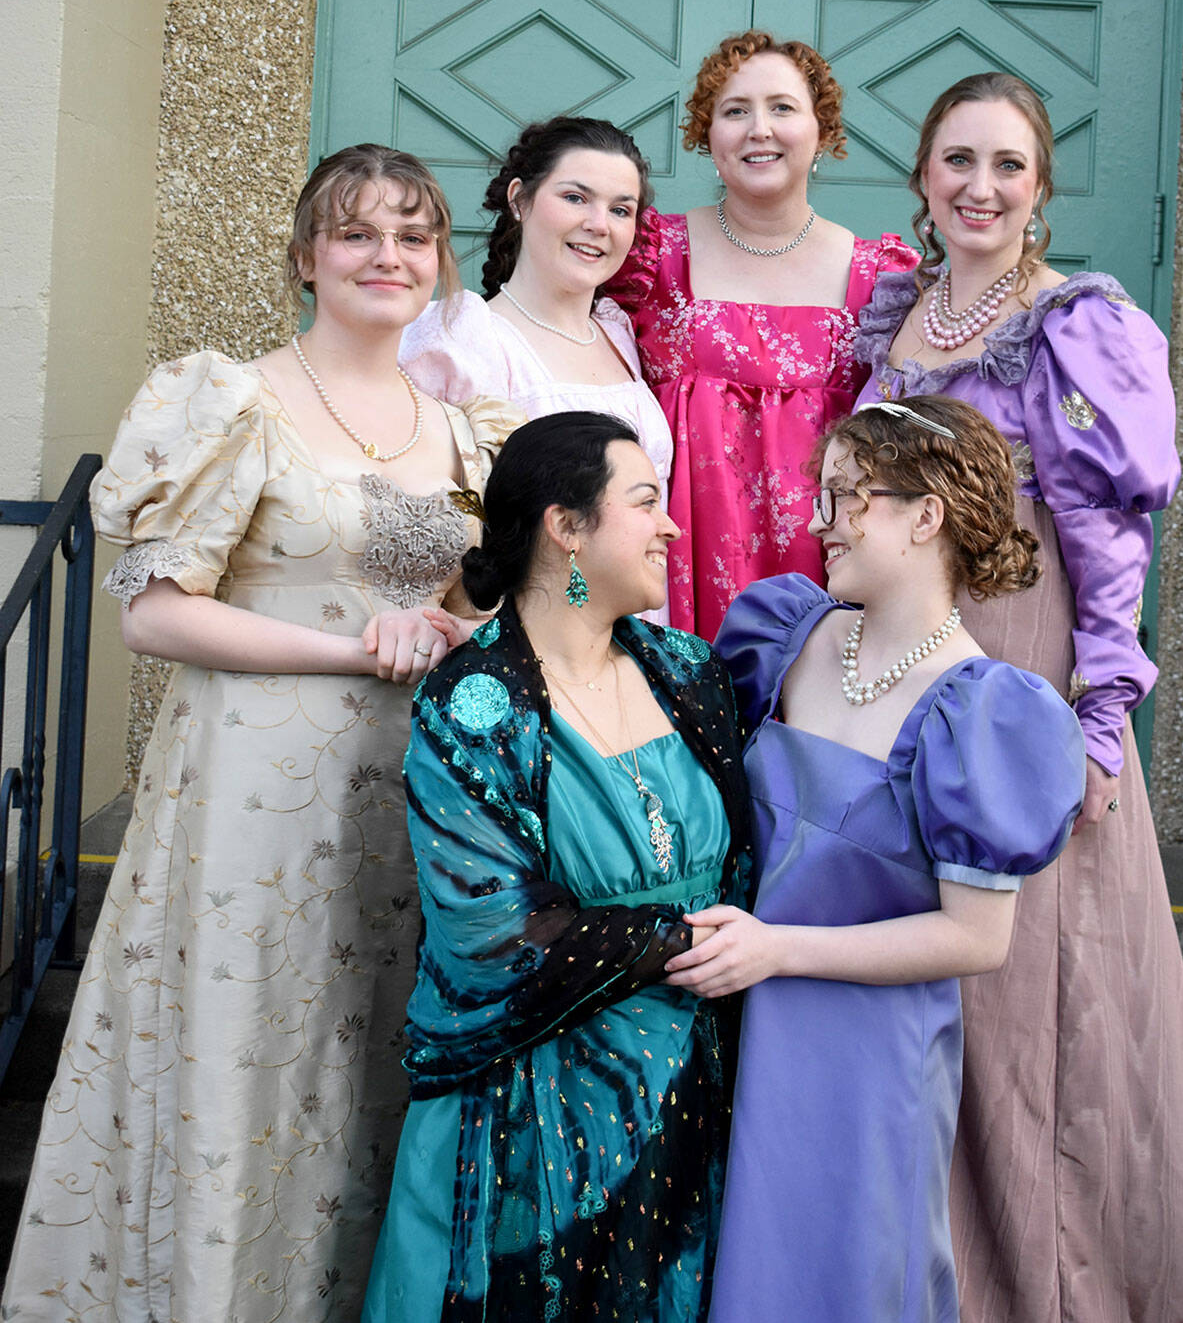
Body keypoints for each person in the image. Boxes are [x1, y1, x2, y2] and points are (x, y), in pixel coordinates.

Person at [2, 145, 521, 1320]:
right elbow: (155, 613)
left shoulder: (467, 430)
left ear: (438, 260)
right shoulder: (228, 397)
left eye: (411, 233)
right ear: (303, 258)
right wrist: (355, 649)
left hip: (411, 794)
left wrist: (451, 627)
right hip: (252, 784)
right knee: (249, 1055)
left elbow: (484, 604)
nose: (386, 255)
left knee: (375, 1048)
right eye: (355, 233)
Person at [854, 73, 1183, 1320]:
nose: (977, 187)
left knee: (1030, 982)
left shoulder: (1071, 323)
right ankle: (930, 1252)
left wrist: (1098, 722)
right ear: (922, 178)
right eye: (956, 162)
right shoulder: (898, 310)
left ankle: (1041, 1266)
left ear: (1038, 189)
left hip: (1019, 669)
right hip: (904, 662)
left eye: (1005, 166)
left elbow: (1107, 543)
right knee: (926, 963)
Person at [665, 395, 1085, 1322]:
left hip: (860, 1060)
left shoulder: (984, 711)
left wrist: (778, 950)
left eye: (847, 497)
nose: (821, 522)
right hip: (724, 1020)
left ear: (924, 514)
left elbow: (977, 938)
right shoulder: (782, 637)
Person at [361, 412, 750, 1323]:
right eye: (646, 501)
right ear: (565, 526)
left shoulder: (691, 671)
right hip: (533, 1112)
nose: (672, 526)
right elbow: (491, 930)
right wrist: (686, 941)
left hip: (691, 1089)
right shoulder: (475, 703)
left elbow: (745, 864)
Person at [607, 29, 918, 638]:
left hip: (826, 568)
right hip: (671, 564)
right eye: (735, 111)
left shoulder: (879, 276)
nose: (759, 129)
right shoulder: (649, 253)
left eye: (782, 108)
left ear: (822, 131)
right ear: (706, 133)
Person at [400, 116, 672, 619]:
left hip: (636, 638)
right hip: (522, 642)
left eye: (620, 209)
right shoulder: (464, 336)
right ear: (520, 199)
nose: (598, 224)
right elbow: (427, 517)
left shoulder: (619, 333)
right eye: (575, 198)